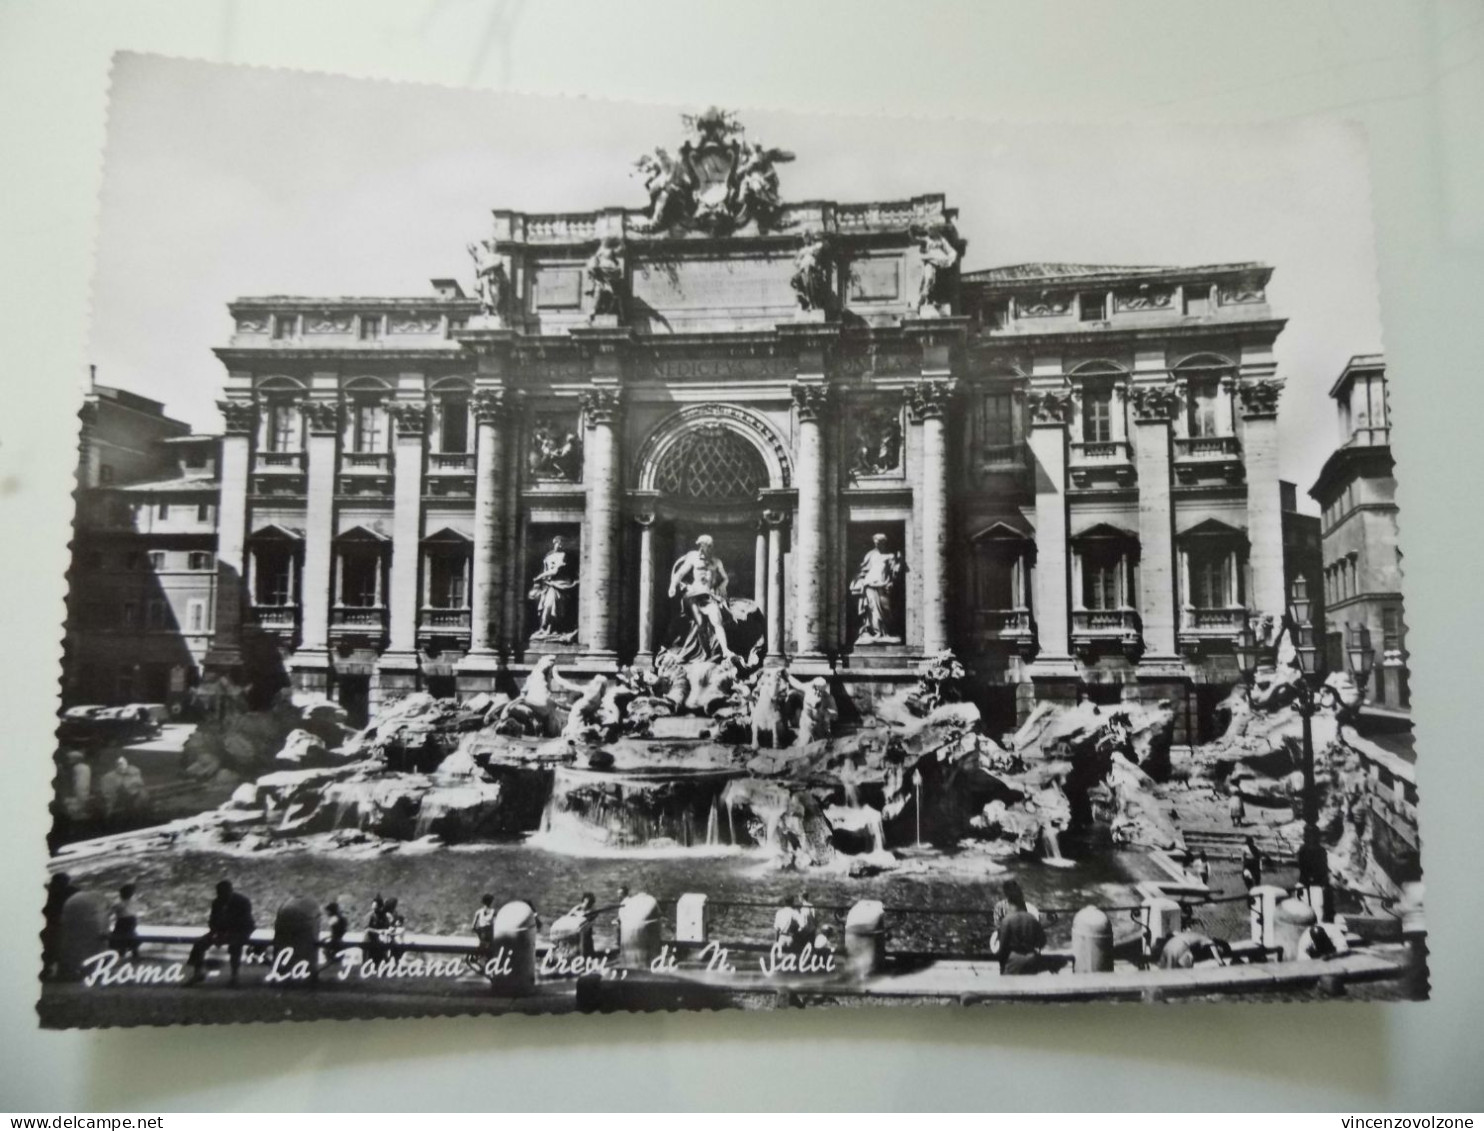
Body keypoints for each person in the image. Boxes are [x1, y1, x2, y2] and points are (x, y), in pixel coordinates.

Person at [668, 534, 733, 661]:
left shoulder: (716, 562)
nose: (702, 549)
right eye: (700, 546)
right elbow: (680, 573)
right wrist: (672, 586)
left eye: (706, 546)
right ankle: (706, 653)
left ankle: (725, 650)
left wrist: (723, 586)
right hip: (693, 594)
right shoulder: (693, 558)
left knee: (717, 619)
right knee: (701, 623)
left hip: (708, 595)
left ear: (711, 547)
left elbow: (725, 577)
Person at [187, 880, 256, 986]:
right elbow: (212, 919)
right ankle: (198, 973)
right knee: (200, 944)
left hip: (242, 930)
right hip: (222, 931)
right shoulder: (217, 902)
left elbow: (244, 921)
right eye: (219, 893)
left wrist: (226, 933)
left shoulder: (242, 901)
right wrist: (214, 932)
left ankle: (234, 976)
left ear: (230, 891)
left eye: (224, 892)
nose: (222, 895)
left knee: (235, 946)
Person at [850, 534, 904, 644]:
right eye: (875, 541)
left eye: (879, 541)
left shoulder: (890, 556)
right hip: (869, 584)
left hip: (883, 585)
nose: (877, 543)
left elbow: (894, 573)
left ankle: (886, 633)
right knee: (872, 609)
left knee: (885, 609)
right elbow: (863, 570)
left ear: (884, 542)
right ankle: (875, 632)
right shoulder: (870, 555)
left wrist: (899, 563)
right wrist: (859, 580)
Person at [40, 872, 79, 980]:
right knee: (58, 947)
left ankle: (49, 968)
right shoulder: (71, 891)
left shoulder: (48, 891)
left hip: (51, 922)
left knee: (50, 948)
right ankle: (63, 969)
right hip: (61, 922)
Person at [108, 882, 141, 958]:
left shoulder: (119, 904)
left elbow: (111, 911)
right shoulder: (134, 903)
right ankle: (133, 949)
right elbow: (138, 910)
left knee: (119, 935)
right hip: (132, 921)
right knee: (130, 933)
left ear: (121, 895)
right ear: (132, 895)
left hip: (122, 921)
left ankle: (122, 950)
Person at [364, 895, 392, 965]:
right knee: (368, 961)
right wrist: (378, 931)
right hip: (369, 941)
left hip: (379, 941)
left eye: (376, 906)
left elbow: (387, 926)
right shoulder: (370, 916)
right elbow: (366, 929)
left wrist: (389, 930)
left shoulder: (384, 916)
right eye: (374, 905)